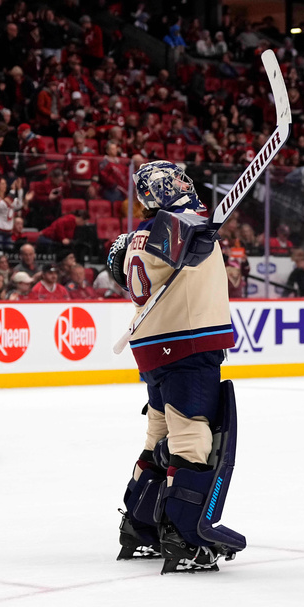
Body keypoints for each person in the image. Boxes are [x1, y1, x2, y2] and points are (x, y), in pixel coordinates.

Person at [106, 160, 244, 573]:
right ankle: (185, 538)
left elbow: (128, 264)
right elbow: (181, 238)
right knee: (192, 437)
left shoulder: (137, 236)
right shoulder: (177, 224)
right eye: (180, 179)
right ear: (166, 188)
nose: (188, 183)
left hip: (153, 348)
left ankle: (140, 525)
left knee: (158, 436)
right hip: (186, 344)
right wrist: (196, 231)